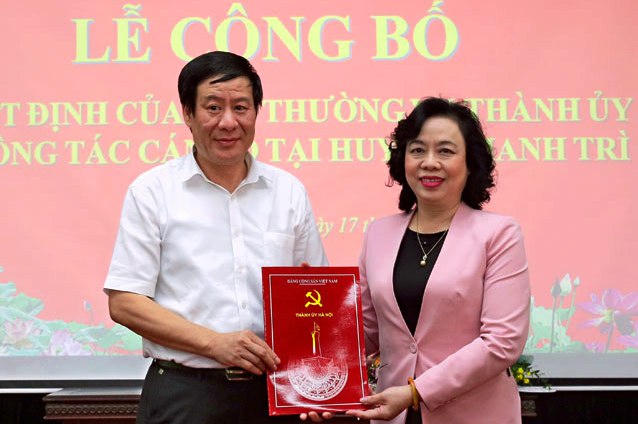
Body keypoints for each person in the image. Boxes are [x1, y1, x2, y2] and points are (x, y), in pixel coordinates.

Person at [104, 51, 328, 424]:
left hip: (275, 393)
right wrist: (215, 343)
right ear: (188, 114)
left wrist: (317, 388)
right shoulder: (153, 191)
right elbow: (125, 302)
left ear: (256, 112)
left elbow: (315, 293)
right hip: (185, 392)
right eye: (213, 108)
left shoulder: (288, 191)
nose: (228, 122)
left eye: (241, 107)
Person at [345, 97, 531, 424]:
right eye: (417, 150)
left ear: (470, 162)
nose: (429, 162)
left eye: (445, 151)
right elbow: (367, 332)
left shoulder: (498, 234)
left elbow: (501, 343)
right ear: (403, 159)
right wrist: (309, 305)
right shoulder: (378, 234)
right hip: (393, 415)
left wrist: (415, 392)